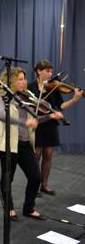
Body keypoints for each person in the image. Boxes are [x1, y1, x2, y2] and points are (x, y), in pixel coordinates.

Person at [0, 67, 63, 221]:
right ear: (10, 81)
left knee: (35, 177)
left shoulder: (26, 98)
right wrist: (24, 122)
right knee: (7, 179)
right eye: (19, 79)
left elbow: (35, 120)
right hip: (8, 145)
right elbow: (1, 115)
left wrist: (51, 116)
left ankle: (28, 208)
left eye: (24, 78)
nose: (24, 81)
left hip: (25, 144)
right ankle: (9, 208)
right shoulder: (2, 97)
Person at [28, 59, 83, 196]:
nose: (50, 74)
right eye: (47, 71)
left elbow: (61, 106)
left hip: (51, 124)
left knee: (48, 155)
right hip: (38, 123)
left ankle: (44, 185)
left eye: (51, 71)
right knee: (36, 155)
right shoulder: (30, 87)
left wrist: (75, 99)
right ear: (39, 71)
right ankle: (34, 185)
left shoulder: (53, 88)